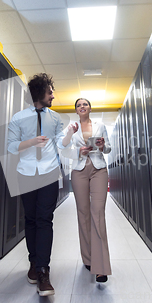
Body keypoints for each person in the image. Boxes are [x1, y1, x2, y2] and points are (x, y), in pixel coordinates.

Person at [7, 73, 77, 296]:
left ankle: (43, 271)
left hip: (48, 173)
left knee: (45, 219)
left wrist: (68, 135)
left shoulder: (55, 118)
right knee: (30, 219)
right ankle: (33, 263)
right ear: (39, 93)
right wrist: (31, 142)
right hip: (26, 173)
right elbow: (10, 146)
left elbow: (60, 144)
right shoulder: (18, 117)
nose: (53, 96)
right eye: (50, 92)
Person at [61, 98, 112, 282]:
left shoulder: (100, 125)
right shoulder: (71, 129)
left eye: (85, 104)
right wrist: (78, 151)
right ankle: (88, 258)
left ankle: (101, 266)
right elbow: (64, 150)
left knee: (97, 213)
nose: (82, 107)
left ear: (90, 108)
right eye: (78, 105)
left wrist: (102, 145)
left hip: (98, 168)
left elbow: (108, 148)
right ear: (76, 111)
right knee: (83, 214)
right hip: (79, 171)